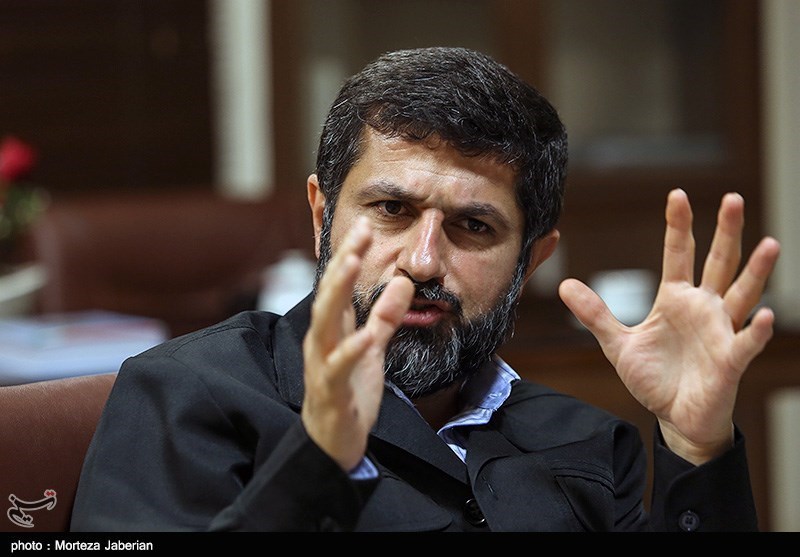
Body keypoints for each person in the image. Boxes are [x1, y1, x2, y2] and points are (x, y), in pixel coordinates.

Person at [70, 46, 780, 532]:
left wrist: (697, 447)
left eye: (474, 225)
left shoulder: (588, 442)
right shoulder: (185, 393)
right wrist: (320, 459)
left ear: (532, 259)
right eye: (392, 209)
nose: (423, 260)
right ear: (321, 216)